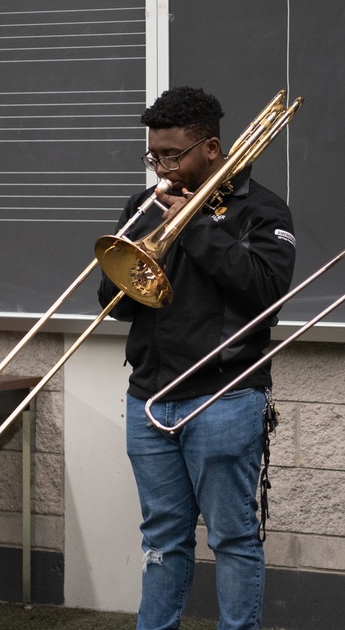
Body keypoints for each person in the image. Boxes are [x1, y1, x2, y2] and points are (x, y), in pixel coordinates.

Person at [98, 86, 296, 630]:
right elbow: (111, 303)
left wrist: (197, 227)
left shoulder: (262, 210)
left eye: (172, 155)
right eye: (153, 155)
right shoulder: (144, 206)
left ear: (210, 148)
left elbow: (266, 291)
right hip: (150, 395)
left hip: (225, 395)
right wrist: (140, 241)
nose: (162, 167)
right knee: (162, 537)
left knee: (232, 537)